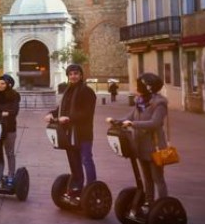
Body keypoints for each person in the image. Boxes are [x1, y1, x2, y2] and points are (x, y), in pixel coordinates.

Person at [106, 73, 169, 212]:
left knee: (158, 178)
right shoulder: (140, 101)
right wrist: (117, 121)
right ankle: (149, 203)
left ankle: (164, 206)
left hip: (155, 147)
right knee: (147, 178)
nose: (137, 87)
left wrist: (133, 124)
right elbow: (131, 116)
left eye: (140, 85)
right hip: (140, 146)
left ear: (149, 87)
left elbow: (155, 123)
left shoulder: (160, 103)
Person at [44, 63, 97, 200]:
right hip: (68, 133)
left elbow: (87, 112)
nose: (73, 76)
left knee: (86, 159)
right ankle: (77, 186)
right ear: (68, 76)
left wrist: (69, 118)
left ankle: (92, 188)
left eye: (76, 74)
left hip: (83, 133)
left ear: (81, 76)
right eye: (71, 74)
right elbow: (62, 108)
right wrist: (52, 114)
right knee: (74, 161)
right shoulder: (68, 91)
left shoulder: (86, 91)